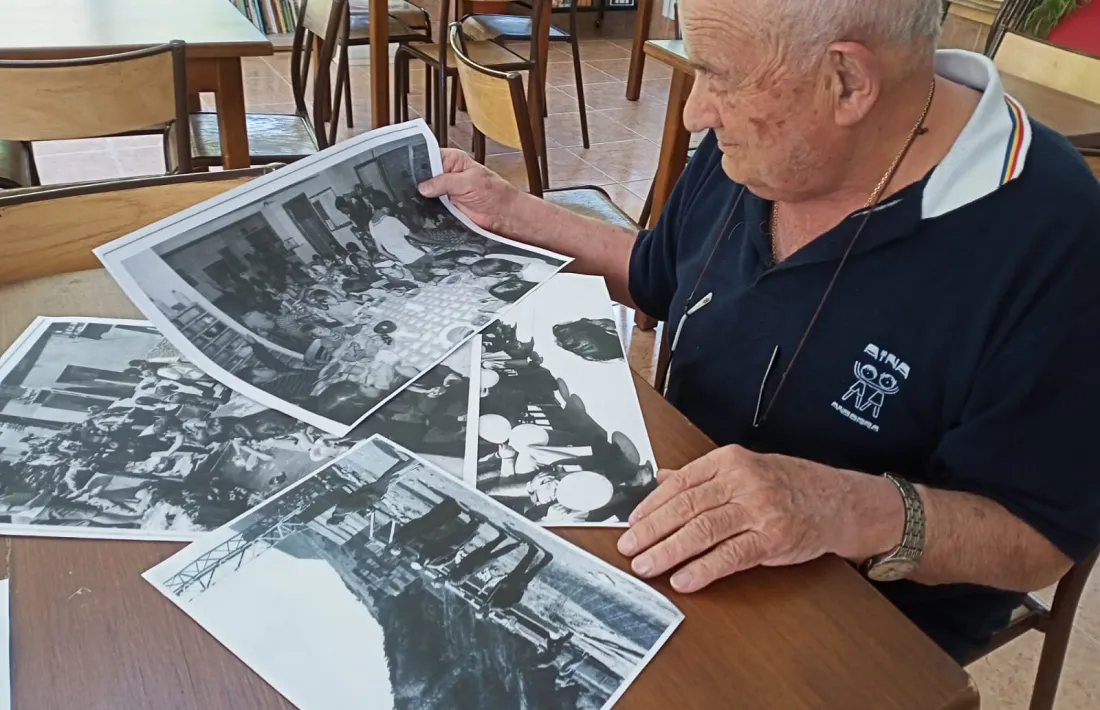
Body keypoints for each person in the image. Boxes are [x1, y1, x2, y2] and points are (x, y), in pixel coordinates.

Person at [417, 0, 1100, 663]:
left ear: (847, 81)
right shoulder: (762, 143)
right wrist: (511, 212)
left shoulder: (1056, 239)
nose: (695, 112)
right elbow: (658, 272)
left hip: (861, 623)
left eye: (718, 76)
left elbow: (1037, 539)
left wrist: (841, 508)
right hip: (673, 518)